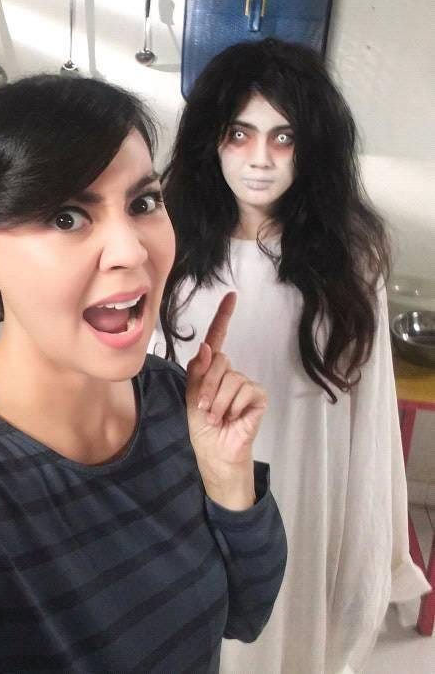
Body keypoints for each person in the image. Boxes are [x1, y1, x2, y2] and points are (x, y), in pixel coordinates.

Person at [0, 75, 287, 672]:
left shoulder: (173, 399)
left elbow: (246, 613)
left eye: (143, 204)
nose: (131, 250)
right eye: (66, 217)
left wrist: (228, 475)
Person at [151, 38, 431, 674]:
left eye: (284, 138)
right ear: (210, 138)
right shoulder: (167, 242)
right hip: (185, 481)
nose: (260, 159)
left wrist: (374, 540)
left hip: (304, 482)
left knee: (280, 628)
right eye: (240, 134)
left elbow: (369, 410)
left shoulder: (351, 256)